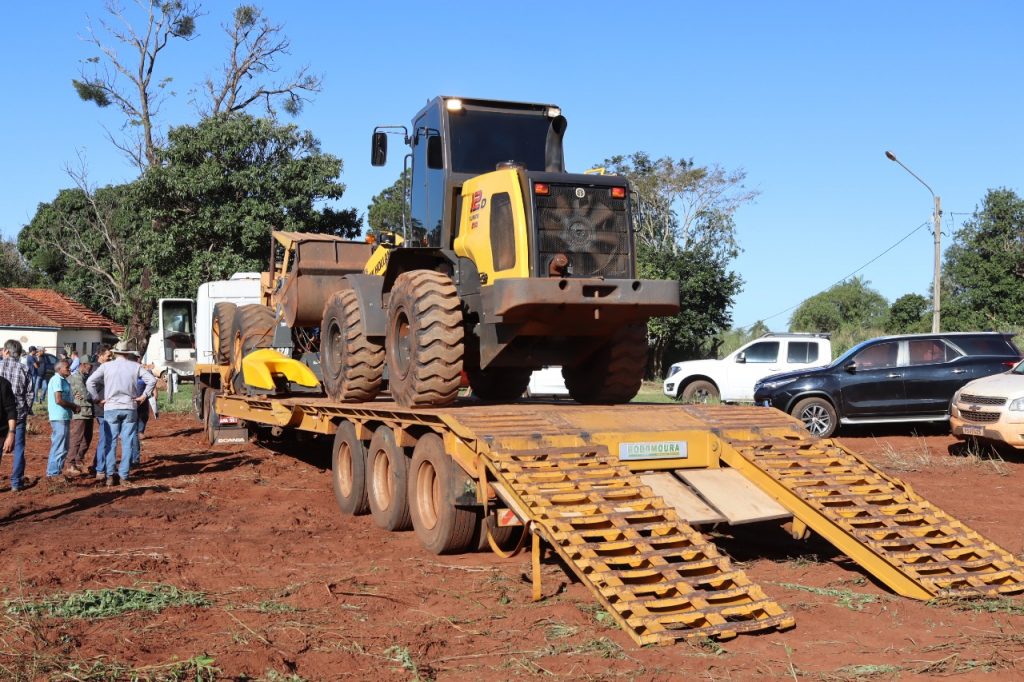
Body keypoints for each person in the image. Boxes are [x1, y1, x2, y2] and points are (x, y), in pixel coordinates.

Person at [87, 342, 156, 487]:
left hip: (111, 407)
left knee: (110, 442)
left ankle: (110, 475)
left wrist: (97, 399)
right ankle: (124, 475)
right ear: (128, 353)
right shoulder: (135, 366)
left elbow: (90, 382)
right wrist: (143, 396)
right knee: (127, 441)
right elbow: (152, 380)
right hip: (129, 406)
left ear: (115, 352)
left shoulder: (106, 366)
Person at [0, 340, 35, 491]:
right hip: (18, 414)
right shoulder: (24, 368)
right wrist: (25, 409)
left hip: (1, 415)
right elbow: (30, 393)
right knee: (19, 447)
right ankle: (16, 482)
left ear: (6, 352)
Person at [44, 360, 79, 486]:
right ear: (59, 369)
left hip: (63, 416)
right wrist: (73, 406)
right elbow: (58, 400)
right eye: (67, 367)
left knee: (61, 445)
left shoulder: (63, 380)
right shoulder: (57, 379)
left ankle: (54, 472)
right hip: (59, 416)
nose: (69, 369)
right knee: (60, 446)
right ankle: (53, 473)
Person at [66, 357, 94, 476]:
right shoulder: (77, 377)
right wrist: (97, 395)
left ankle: (79, 459)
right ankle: (70, 463)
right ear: (82, 364)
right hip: (80, 411)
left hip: (88, 411)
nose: (91, 368)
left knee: (87, 437)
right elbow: (84, 394)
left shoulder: (84, 377)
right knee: (77, 438)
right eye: (89, 365)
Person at [91, 344, 113, 480]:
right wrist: (97, 400)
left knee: (106, 438)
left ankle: (97, 465)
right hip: (101, 409)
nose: (110, 358)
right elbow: (91, 386)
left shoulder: (105, 368)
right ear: (100, 355)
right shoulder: (97, 370)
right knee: (105, 438)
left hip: (106, 408)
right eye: (108, 356)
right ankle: (100, 469)